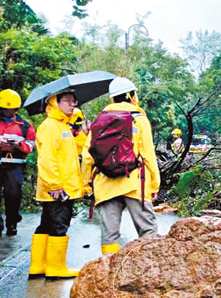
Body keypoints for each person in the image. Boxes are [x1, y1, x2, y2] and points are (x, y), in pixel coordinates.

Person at [82, 77, 160, 255]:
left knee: (109, 235)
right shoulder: (139, 119)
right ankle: (146, 266)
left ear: (113, 98)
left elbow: (87, 156)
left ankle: (108, 268)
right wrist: (155, 185)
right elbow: (148, 155)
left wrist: (87, 185)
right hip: (134, 183)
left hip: (105, 184)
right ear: (132, 96)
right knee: (147, 229)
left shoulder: (100, 120)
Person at [30, 90, 83, 278]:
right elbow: (47, 159)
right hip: (58, 188)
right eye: (67, 101)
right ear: (54, 102)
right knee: (59, 225)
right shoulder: (50, 126)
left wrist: (79, 132)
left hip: (59, 186)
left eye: (74, 101)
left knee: (46, 224)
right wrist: (54, 185)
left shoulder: (62, 126)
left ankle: (38, 266)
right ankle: (56, 267)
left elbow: (74, 152)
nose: (72, 104)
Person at [0, 89, 36, 236]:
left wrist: (18, 145)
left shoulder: (25, 125)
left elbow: (31, 145)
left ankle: (12, 222)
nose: (8, 112)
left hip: (15, 164)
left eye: (11, 109)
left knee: (13, 195)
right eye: (5, 109)